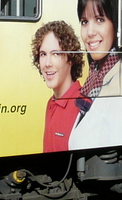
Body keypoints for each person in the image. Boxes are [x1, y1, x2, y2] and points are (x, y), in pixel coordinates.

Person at [70, 0, 122, 149]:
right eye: (84, 22)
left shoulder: (121, 87)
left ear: (115, 25)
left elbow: (120, 162)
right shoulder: (95, 79)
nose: (90, 32)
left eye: (100, 19)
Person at [30, 21, 87, 153]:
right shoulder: (51, 103)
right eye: (43, 54)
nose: (47, 63)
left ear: (71, 59)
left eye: (56, 54)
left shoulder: (83, 106)